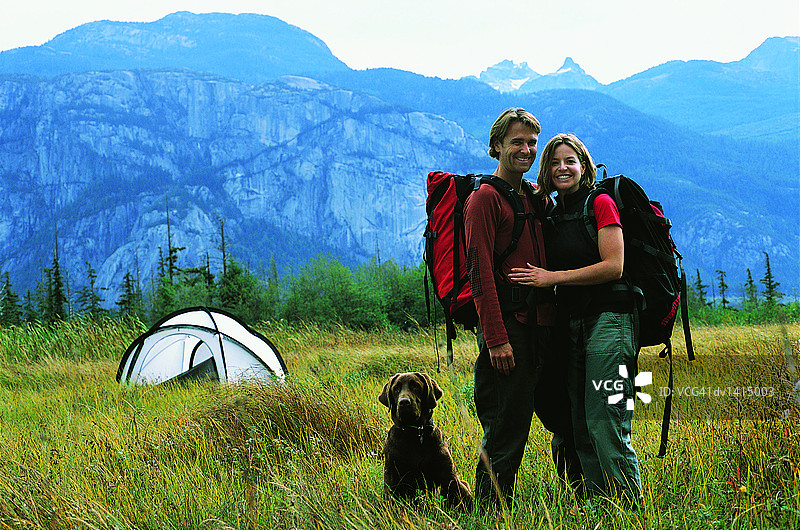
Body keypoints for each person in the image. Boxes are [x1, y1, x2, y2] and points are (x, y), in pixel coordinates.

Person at [509, 133, 643, 507]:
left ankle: (630, 512)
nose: (562, 168)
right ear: (546, 172)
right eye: (554, 163)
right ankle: (604, 508)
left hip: (610, 320)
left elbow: (614, 266)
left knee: (606, 421)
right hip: (573, 323)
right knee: (580, 424)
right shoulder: (553, 212)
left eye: (570, 161)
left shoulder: (600, 202)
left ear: (584, 166)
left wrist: (553, 279)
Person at [464, 107, 557, 508]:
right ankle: (489, 513)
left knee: (562, 417)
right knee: (507, 429)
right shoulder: (484, 200)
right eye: (517, 141)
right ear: (497, 145)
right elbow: (478, 273)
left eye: (532, 143)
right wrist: (497, 339)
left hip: (540, 326)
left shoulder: (530, 197)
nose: (526, 149)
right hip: (509, 330)